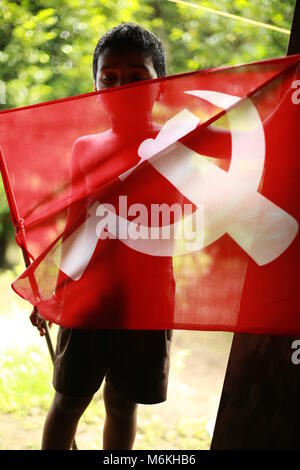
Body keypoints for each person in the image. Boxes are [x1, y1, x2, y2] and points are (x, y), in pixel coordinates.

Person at [31, 22, 175, 450]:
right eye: (109, 78)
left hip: (147, 299)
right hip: (87, 296)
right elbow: (75, 225)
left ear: (161, 86)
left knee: (123, 403)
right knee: (69, 400)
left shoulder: (175, 145)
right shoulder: (84, 148)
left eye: (136, 77)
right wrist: (52, 293)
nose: (122, 87)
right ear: (95, 87)